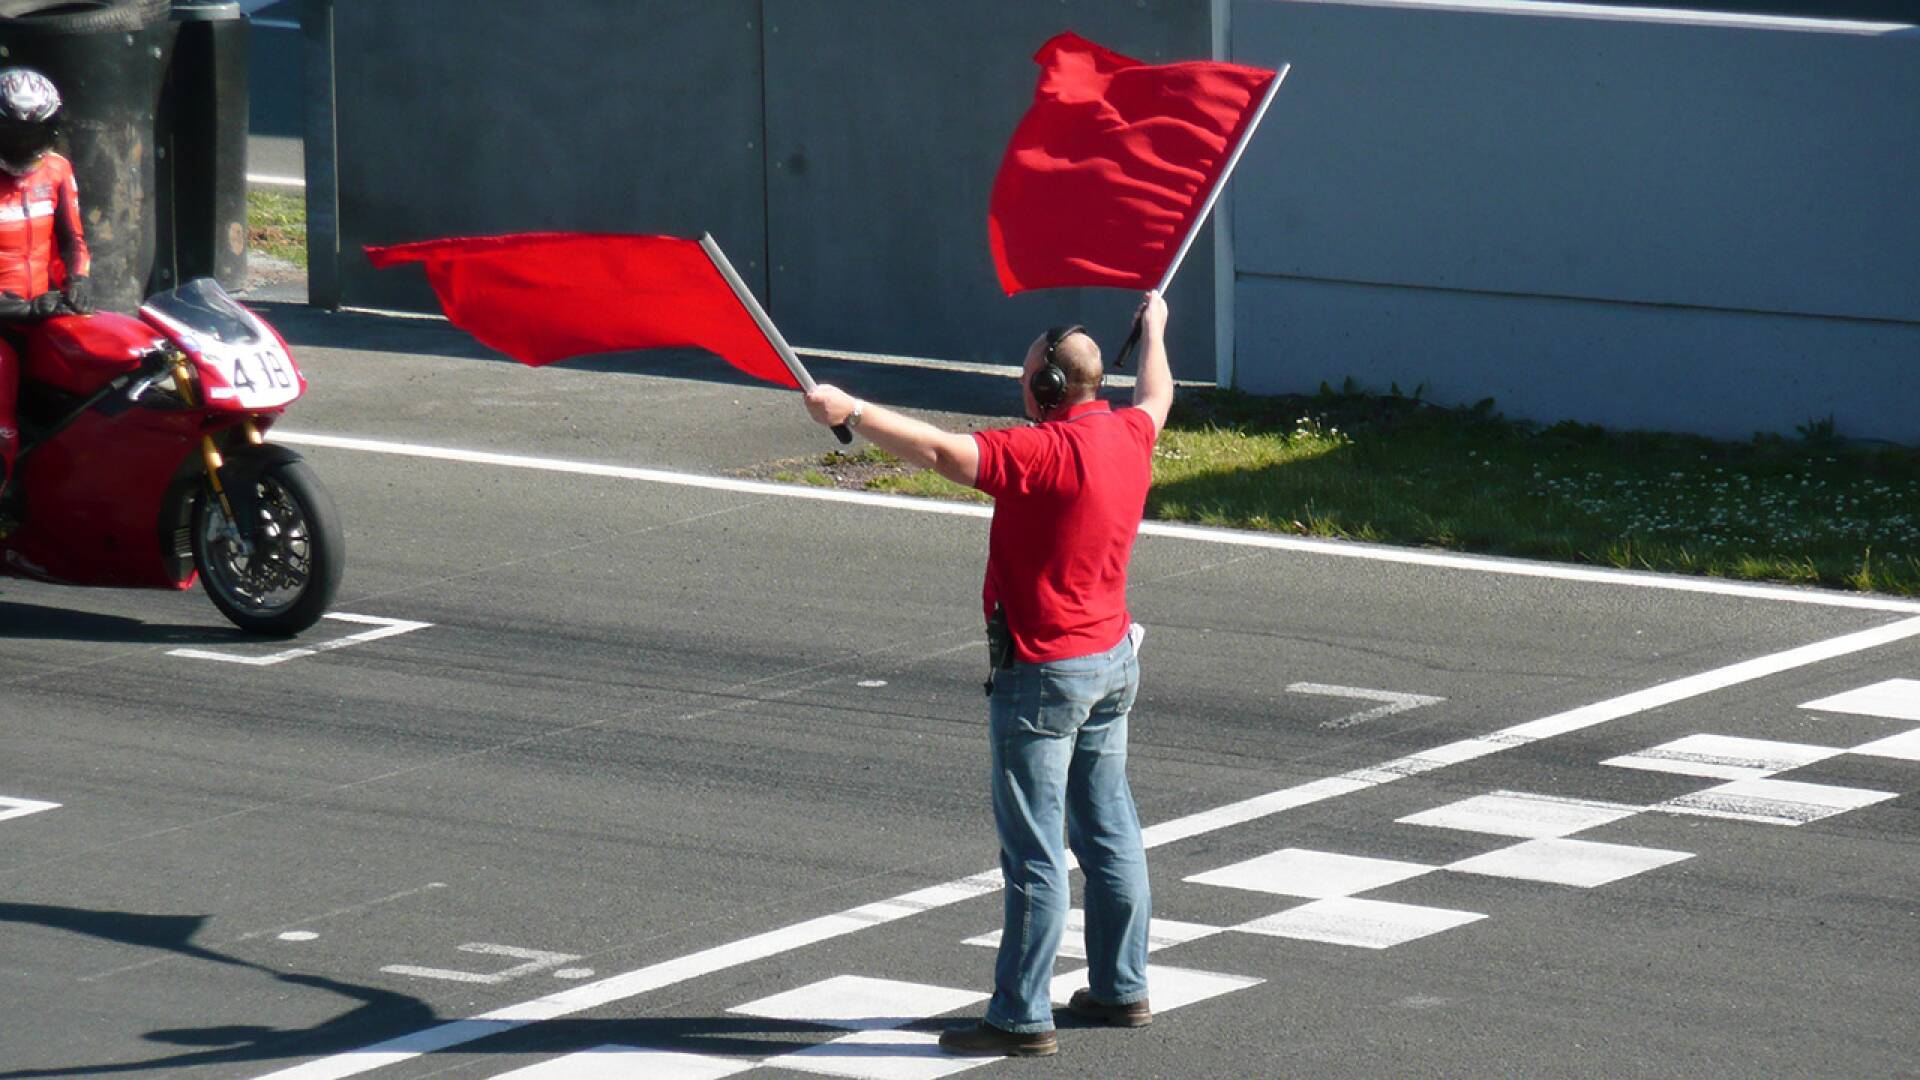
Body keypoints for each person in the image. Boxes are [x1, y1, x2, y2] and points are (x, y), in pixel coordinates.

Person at [804, 291, 1173, 1057]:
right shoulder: (1130, 435)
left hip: (1043, 673)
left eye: (1028, 375)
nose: (1021, 383)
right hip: (1110, 662)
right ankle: (1120, 986)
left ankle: (1019, 1017)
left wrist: (852, 408)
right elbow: (1157, 392)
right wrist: (1159, 328)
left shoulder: (1038, 454)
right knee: (1109, 832)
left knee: (1035, 852)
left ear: (1044, 392)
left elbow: (940, 452)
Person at [0, 66, 92, 521]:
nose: (23, 143)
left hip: (47, 311)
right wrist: (26, 307)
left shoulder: (57, 170)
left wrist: (79, 281)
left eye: (32, 132)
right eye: (12, 132)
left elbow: (76, 240)